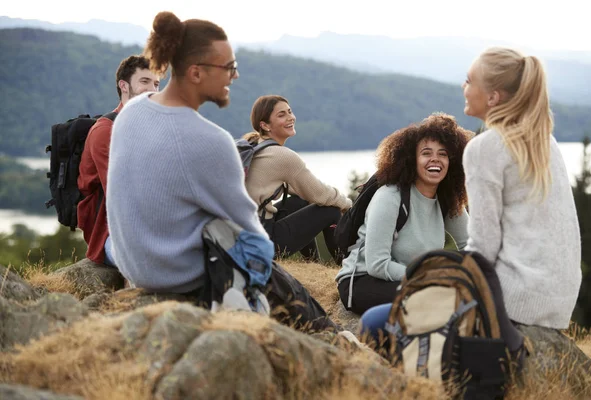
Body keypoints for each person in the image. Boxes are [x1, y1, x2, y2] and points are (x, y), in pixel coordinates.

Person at [105, 12, 338, 332]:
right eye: (228, 67)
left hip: (134, 266)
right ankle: (334, 339)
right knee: (279, 278)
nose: (235, 76)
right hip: (179, 276)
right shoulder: (210, 140)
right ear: (197, 72)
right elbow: (253, 239)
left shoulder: (132, 112)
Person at [461, 47, 581, 329]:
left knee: (377, 321)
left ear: (492, 97)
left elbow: (483, 246)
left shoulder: (484, 149)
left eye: (469, 80)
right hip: (559, 302)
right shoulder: (545, 141)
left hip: (515, 299)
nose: (463, 87)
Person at [336, 113, 473, 316]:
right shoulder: (390, 196)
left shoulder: (447, 200)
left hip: (413, 280)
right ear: (411, 159)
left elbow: (471, 245)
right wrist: (431, 276)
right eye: (426, 153)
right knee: (439, 300)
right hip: (364, 282)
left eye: (443, 154)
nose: (435, 159)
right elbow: (377, 265)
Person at [242, 95, 352, 262]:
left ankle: (312, 264)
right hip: (261, 243)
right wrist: (350, 205)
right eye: (281, 115)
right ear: (264, 125)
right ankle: (349, 269)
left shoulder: (254, 144)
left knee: (299, 202)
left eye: (289, 112)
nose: (290, 118)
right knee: (330, 211)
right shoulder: (282, 156)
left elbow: (303, 190)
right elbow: (321, 194)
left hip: (245, 235)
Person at [77, 55, 159, 266]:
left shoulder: (150, 128)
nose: (153, 90)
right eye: (144, 81)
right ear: (124, 85)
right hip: (111, 233)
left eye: (156, 83)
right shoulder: (105, 131)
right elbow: (122, 197)